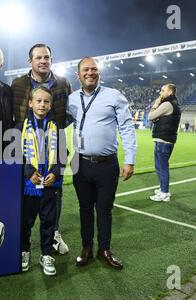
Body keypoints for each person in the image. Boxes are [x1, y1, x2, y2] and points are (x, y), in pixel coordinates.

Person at [67, 57, 137, 270]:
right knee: (85, 208)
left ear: (99, 73)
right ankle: (86, 248)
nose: (90, 73)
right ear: (78, 75)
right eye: (85, 70)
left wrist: (130, 159)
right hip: (80, 162)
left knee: (104, 210)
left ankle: (104, 249)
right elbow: (58, 123)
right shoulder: (70, 99)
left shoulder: (114, 96)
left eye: (94, 69)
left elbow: (126, 127)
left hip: (107, 164)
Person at [11, 43, 72, 256]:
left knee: (53, 198)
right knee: (26, 209)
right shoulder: (18, 83)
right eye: (39, 57)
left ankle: (53, 234)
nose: (43, 61)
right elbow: (11, 112)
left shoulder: (63, 83)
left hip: (53, 142)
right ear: (31, 61)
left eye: (47, 57)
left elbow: (71, 111)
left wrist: (58, 129)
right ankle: (23, 246)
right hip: (27, 145)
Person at [16, 86, 66, 276]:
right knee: (25, 223)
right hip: (28, 186)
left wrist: (56, 172)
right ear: (30, 103)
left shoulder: (57, 127)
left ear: (50, 104)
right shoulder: (20, 127)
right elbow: (15, 155)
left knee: (48, 222)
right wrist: (28, 171)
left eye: (46, 101)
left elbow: (63, 154)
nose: (42, 104)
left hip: (50, 185)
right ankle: (24, 251)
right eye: (38, 101)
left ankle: (46, 254)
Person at [148, 84, 181, 202]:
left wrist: (156, 104)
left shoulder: (167, 104)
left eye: (163, 90)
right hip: (165, 139)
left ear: (170, 92)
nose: (160, 93)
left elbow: (151, 116)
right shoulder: (174, 104)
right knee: (160, 166)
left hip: (163, 140)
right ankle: (163, 188)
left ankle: (165, 193)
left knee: (162, 167)